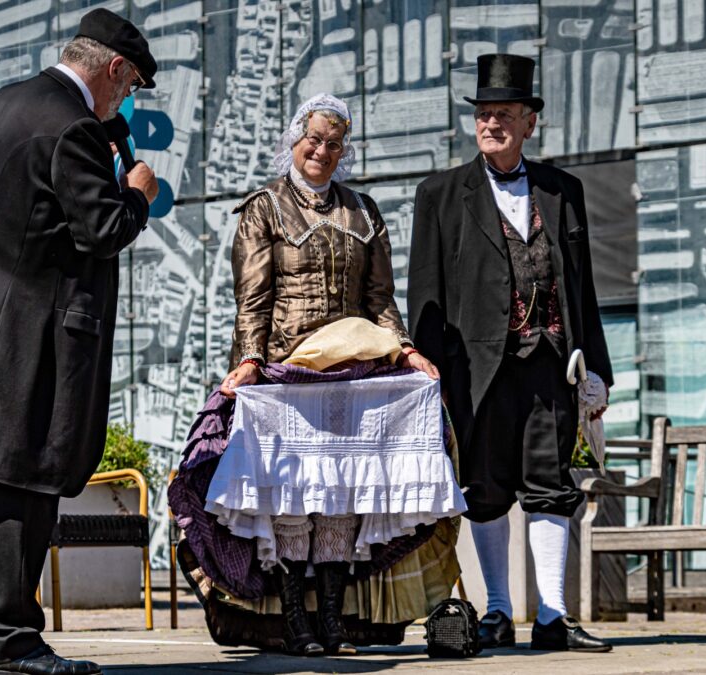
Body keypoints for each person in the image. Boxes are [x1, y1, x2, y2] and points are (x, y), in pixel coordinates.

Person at [0, 9, 158, 675]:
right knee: (20, 478)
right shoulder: (72, 125)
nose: (125, 101)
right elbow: (101, 229)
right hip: (22, 329)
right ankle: (13, 643)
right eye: (130, 87)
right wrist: (136, 194)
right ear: (114, 68)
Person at [216, 93, 441, 656]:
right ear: (295, 139)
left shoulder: (363, 211)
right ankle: (296, 624)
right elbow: (253, 298)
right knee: (293, 496)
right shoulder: (264, 207)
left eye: (334, 144)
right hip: (289, 373)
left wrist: (405, 351)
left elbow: (379, 299)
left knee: (340, 494)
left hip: (353, 375)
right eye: (314, 139)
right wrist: (249, 360)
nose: (322, 151)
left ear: (344, 151)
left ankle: (335, 624)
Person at [407, 53, 614, 653]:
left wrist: (598, 370)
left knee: (551, 484)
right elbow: (424, 293)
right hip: (475, 370)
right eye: (484, 114)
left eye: (504, 114)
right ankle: (497, 611)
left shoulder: (563, 191)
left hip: (552, 363)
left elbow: (583, 288)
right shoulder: (440, 194)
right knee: (486, 487)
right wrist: (428, 376)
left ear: (529, 122)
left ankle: (552, 617)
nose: (491, 123)